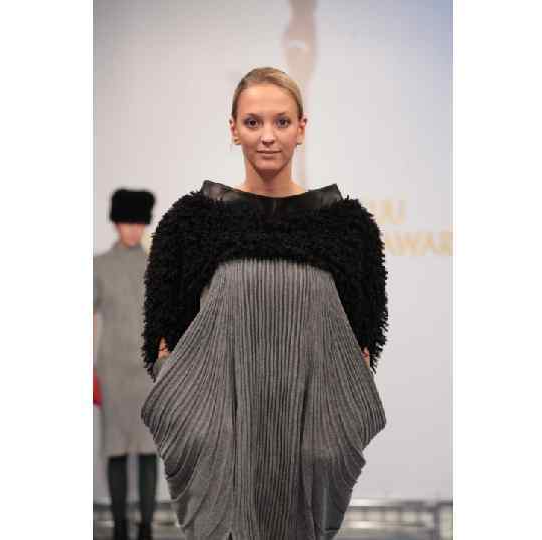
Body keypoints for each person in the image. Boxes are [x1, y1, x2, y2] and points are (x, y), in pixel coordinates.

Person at [140, 67, 389, 540]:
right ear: (233, 129)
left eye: (281, 121)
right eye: (253, 122)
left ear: (301, 128)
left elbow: (363, 340)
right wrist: (190, 415)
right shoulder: (193, 223)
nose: (268, 136)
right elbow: (163, 334)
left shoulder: (346, 227)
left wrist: (334, 432)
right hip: (222, 441)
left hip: (310, 433)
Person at [94, 188, 158, 540]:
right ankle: (119, 527)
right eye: (126, 222)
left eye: (138, 223)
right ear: (116, 223)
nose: (132, 229)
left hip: (148, 372)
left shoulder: (157, 265)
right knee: (115, 448)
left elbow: (168, 319)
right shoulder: (99, 266)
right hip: (113, 370)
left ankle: (146, 527)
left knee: (149, 450)